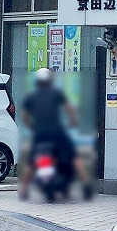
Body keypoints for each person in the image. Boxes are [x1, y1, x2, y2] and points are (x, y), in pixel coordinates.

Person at [19, 67, 80, 199]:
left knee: (32, 160)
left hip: (40, 134)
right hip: (57, 132)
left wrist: (31, 125)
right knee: (73, 155)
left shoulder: (31, 97)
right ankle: (86, 184)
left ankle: (24, 188)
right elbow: (69, 109)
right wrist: (73, 122)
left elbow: (24, 115)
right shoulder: (56, 94)